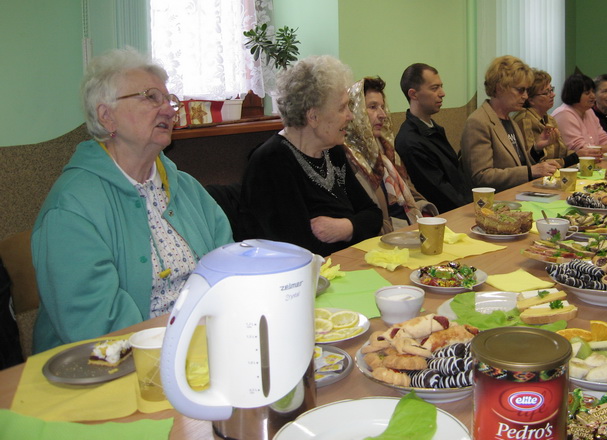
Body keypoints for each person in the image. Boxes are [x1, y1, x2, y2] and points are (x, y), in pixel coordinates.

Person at [32, 49, 233, 353]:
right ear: (106, 116)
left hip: (200, 347)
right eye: (151, 97)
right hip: (111, 363)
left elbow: (227, 269)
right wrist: (184, 346)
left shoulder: (187, 188)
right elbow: (97, 326)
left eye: (169, 100)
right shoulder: (72, 207)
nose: (168, 110)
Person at [239, 55, 382, 257]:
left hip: (347, 262)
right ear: (313, 117)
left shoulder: (332, 152)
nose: (350, 116)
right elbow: (298, 246)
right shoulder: (271, 162)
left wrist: (345, 228)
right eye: (342, 108)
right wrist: (357, 226)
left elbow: (373, 215)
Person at [344, 77, 437, 233]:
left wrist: (425, 212)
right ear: (355, 111)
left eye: (382, 107)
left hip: (408, 228)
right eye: (373, 107)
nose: (382, 115)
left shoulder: (385, 149)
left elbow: (411, 192)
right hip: (383, 237)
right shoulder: (347, 158)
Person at [461, 56, 559, 192]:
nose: (525, 96)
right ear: (499, 88)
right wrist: (531, 171)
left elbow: (516, 164)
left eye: (526, 90)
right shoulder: (478, 122)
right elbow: (481, 176)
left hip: (517, 195)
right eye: (520, 90)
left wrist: (536, 150)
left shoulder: (510, 120)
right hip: (497, 200)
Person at [395, 63, 471, 212]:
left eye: (441, 86)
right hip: (447, 216)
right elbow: (441, 193)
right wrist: (471, 210)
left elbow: (456, 178)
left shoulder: (432, 128)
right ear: (413, 94)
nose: (442, 93)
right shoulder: (410, 141)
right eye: (434, 88)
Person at [513, 70, 597, 167]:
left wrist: (581, 154)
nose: (553, 95)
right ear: (531, 99)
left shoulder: (549, 119)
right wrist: (575, 157)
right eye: (546, 93)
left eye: (551, 90)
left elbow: (562, 152)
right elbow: (532, 162)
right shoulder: (525, 121)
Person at [552, 74, 607, 154]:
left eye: (593, 92)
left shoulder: (589, 111)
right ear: (575, 94)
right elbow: (581, 149)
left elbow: (603, 139)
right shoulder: (564, 114)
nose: (593, 96)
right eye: (587, 93)